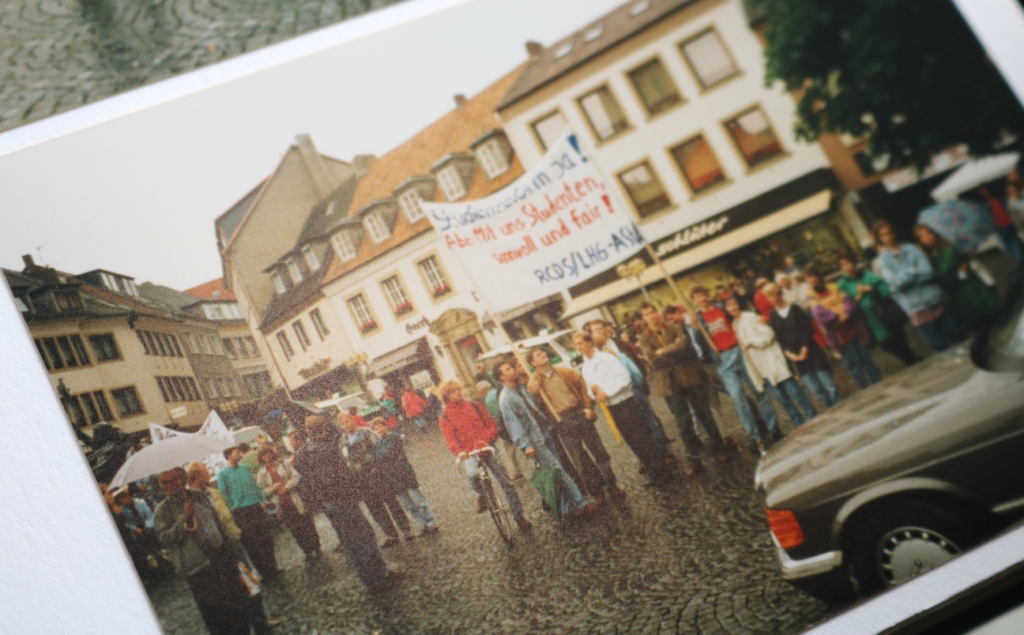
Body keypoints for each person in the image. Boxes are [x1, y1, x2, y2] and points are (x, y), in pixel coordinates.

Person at [292, 416, 400, 591]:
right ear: (323, 429)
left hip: (331, 501)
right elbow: (341, 474)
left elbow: (310, 481)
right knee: (362, 538)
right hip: (342, 498)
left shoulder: (303, 453)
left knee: (355, 540)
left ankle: (376, 576)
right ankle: (375, 578)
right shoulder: (327, 448)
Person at [155, 468, 251, 635]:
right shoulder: (163, 510)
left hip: (222, 557)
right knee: (216, 615)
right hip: (199, 568)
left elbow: (217, 522)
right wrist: (183, 517)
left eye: (173, 480)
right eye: (164, 482)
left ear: (183, 480)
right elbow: (165, 539)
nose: (169, 485)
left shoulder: (198, 496)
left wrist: (231, 545)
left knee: (238, 604)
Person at [636, 302, 728, 475]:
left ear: (657, 312)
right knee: (683, 423)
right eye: (647, 314)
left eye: (652, 312)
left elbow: (686, 348)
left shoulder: (675, 327)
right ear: (644, 319)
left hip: (690, 378)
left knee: (705, 414)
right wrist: (671, 351)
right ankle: (693, 460)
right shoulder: (644, 338)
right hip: (669, 385)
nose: (651, 316)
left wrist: (662, 351)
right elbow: (652, 360)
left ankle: (720, 449)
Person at [496, 361, 594, 519]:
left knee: (555, 471)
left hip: (544, 433)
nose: (512, 369)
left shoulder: (521, 388)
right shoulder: (505, 399)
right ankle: (581, 504)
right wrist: (525, 445)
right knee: (558, 469)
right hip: (534, 442)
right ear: (501, 377)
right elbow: (513, 424)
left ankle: (566, 509)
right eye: (508, 368)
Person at [573, 331, 673, 485]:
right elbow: (589, 390)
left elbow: (624, 378)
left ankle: (663, 472)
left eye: (580, 343)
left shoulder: (607, 358)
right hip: (613, 408)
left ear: (589, 343)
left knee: (644, 438)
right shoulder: (585, 367)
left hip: (626, 403)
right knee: (632, 441)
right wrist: (593, 394)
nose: (577, 347)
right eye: (576, 344)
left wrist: (607, 392)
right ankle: (653, 473)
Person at [691, 285, 782, 453]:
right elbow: (701, 343)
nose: (702, 298)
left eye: (703, 294)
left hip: (740, 352)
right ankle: (755, 437)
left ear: (707, 295)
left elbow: (737, 318)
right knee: (738, 399)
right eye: (698, 296)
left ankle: (773, 428)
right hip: (723, 360)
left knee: (758, 389)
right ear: (694, 300)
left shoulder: (720, 308)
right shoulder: (698, 319)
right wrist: (696, 329)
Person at [526, 347, 623, 504]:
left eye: (543, 352)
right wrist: (535, 392)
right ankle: (596, 490)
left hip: (580, 413)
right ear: (532, 362)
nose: (543, 354)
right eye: (538, 354)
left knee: (599, 451)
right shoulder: (535, 383)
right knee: (580, 460)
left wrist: (588, 407)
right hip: (562, 422)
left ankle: (612, 484)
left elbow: (583, 388)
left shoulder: (565, 372)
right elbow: (537, 408)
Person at [437, 379, 532, 532]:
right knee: (473, 477)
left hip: (487, 448)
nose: (458, 393)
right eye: (454, 391)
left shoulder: (474, 405)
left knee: (506, 482)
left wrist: (488, 437)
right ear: (447, 396)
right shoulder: (445, 416)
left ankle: (519, 516)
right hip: (470, 454)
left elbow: (490, 423)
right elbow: (450, 438)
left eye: (459, 390)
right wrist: (459, 452)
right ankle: (483, 495)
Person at [724, 294, 818, 427]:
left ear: (739, 304)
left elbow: (769, 334)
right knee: (782, 399)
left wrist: (753, 343)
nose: (732, 308)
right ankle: (800, 423)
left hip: (773, 359)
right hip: (762, 368)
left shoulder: (751, 317)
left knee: (796, 392)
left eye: (734, 304)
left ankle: (814, 417)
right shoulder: (734, 326)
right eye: (729, 306)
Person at [873, 220, 963, 352]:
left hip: (933, 298)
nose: (889, 237)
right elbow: (894, 283)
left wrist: (903, 279)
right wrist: (912, 271)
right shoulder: (883, 261)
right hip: (914, 307)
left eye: (890, 232)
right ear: (879, 239)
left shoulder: (911, 249)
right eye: (884, 235)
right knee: (938, 346)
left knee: (957, 336)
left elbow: (928, 271)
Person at [337, 412, 414, 548]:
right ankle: (391, 535)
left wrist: (375, 466)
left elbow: (379, 450)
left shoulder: (367, 433)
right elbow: (345, 460)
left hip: (377, 475)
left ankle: (406, 530)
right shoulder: (342, 440)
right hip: (360, 480)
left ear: (353, 420)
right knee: (375, 509)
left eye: (347, 421)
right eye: (343, 423)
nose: (346, 425)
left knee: (392, 502)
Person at [764, 284, 842, 408]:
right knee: (816, 390)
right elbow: (780, 337)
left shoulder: (794, 308)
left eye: (771, 295)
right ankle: (830, 408)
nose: (770, 299)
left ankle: (840, 405)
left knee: (829, 384)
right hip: (796, 357)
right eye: (768, 297)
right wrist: (788, 353)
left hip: (811, 351)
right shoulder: (773, 315)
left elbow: (808, 329)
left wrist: (804, 349)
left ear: (779, 294)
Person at [804, 267, 882, 389]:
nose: (810, 280)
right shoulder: (811, 296)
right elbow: (818, 313)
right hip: (836, 331)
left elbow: (848, 301)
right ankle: (865, 387)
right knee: (852, 363)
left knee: (864, 356)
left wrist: (846, 312)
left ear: (818, 276)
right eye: (807, 278)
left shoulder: (833, 287)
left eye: (811, 276)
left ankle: (878, 381)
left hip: (851, 324)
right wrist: (836, 316)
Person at [836, 253, 918, 367]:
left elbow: (884, 287)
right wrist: (858, 295)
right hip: (867, 316)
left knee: (897, 333)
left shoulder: (867, 274)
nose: (847, 267)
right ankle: (906, 357)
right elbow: (844, 301)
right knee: (883, 343)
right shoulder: (843, 284)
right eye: (843, 265)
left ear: (853, 263)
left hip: (882, 309)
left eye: (848, 263)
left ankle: (910, 358)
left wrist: (869, 288)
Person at [914, 224, 1001, 330]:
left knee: (993, 321)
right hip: (958, 298)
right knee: (979, 327)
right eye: (922, 237)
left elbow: (945, 272)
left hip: (971, 290)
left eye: (928, 233)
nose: (927, 238)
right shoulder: (928, 256)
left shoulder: (948, 247)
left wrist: (929, 274)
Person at [368, 417, 439, 535]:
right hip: (392, 478)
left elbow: (392, 454)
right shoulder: (376, 446)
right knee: (409, 506)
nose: (379, 430)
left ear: (385, 426)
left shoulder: (396, 437)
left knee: (419, 501)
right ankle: (424, 525)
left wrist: (383, 459)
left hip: (405, 473)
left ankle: (432, 523)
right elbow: (376, 461)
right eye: (376, 428)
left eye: (381, 426)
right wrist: (383, 460)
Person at [218, 444, 278, 579]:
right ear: (228, 455)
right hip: (241, 511)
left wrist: (263, 500)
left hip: (255, 507)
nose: (239, 455)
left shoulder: (244, 468)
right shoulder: (222, 474)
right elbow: (223, 494)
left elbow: (254, 485)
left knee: (266, 539)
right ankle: (264, 573)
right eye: (236, 452)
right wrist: (233, 506)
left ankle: (273, 568)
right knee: (252, 544)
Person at [256, 445, 322, 561]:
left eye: (268, 453)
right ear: (261, 458)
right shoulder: (262, 474)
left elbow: (296, 476)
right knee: (295, 529)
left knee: (308, 525)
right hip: (282, 505)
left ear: (271, 453)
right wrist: (272, 489)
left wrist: (286, 487)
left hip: (296, 500)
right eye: (263, 455)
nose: (266, 456)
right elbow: (261, 491)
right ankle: (307, 551)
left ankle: (317, 547)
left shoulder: (284, 464)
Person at [480, 377, 526, 481]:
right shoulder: (497, 392)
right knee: (515, 447)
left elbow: (496, 414)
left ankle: (514, 473)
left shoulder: (488, 399)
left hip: (504, 426)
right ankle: (523, 469)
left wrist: (497, 429)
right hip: (511, 422)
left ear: (484, 390)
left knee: (508, 451)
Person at [979, 185, 1023, 264]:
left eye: (985, 191)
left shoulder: (1000, 199)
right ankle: (1018, 261)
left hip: (1008, 224)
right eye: (982, 192)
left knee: (1014, 243)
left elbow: (1010, 209)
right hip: (999, 228)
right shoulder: (985, 205)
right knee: (1009, 245)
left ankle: (1020, 261)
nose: (985, 194)